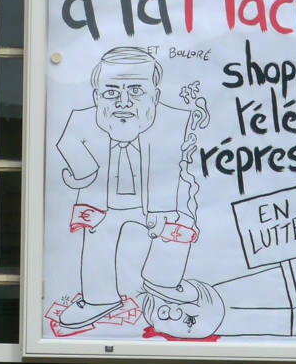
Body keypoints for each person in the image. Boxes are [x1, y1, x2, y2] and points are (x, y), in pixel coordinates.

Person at [55, 47, 199, 329]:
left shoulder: (176, 121)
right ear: (96, 96)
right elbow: (66, 142)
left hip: (155, 201)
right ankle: (99, 298)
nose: (123, 102)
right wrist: (85, 171)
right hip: (102, 203)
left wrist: (169, 208)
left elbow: (182, 167)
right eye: (111, 92)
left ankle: (164, 281)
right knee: (97, 239)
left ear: (155, 97)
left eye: (135, 91)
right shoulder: (81, 120)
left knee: (175, 228)